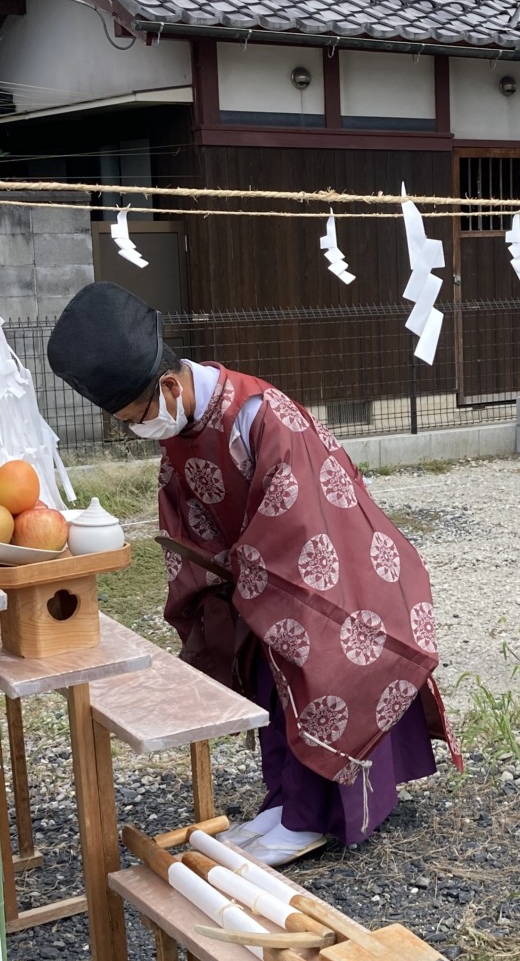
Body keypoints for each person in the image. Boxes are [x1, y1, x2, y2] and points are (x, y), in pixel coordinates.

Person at [46, 280, 460, 862]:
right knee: (269, 679)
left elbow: (306, 520)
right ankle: (286, 801)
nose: (140, 428)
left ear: (169, 385)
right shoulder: (184, 424)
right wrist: (221, 578)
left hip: (331, 575)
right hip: (256, 578)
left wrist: (250, 574)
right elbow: (187, 515)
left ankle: (314, 816)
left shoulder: (261, 415)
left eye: (138, 415)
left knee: (316, 668)